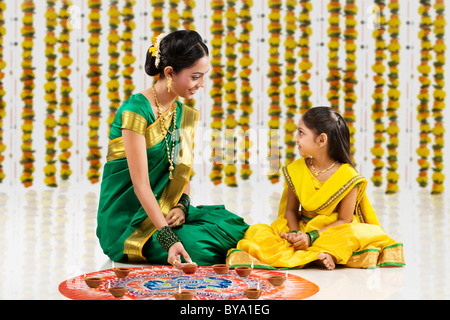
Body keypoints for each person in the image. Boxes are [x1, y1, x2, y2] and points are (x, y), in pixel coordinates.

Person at [96, 30, 248, 268]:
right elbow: (141, 185)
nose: (202, 84)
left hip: (164, 210)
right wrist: (168, 238)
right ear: (169, 73)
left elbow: (181, 171)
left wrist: (181, 206)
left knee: (233, 226)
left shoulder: (182, 113)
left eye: (204, 76)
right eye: (196, 76)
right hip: (127, 223)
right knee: (201, 246)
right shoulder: (136, 111)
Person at [226, 107, 405, 270]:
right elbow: (290, 211)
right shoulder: (296, 169)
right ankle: (317, 255)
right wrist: (296, 233)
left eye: (301, 133)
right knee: (257, 232)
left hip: (331, 231)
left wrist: (311, 237)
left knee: (352, 235)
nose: (296, 138)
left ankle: (321, 252)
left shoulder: (348, 176)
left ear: (321, 140)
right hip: (302, 227)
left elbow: (344, 220)